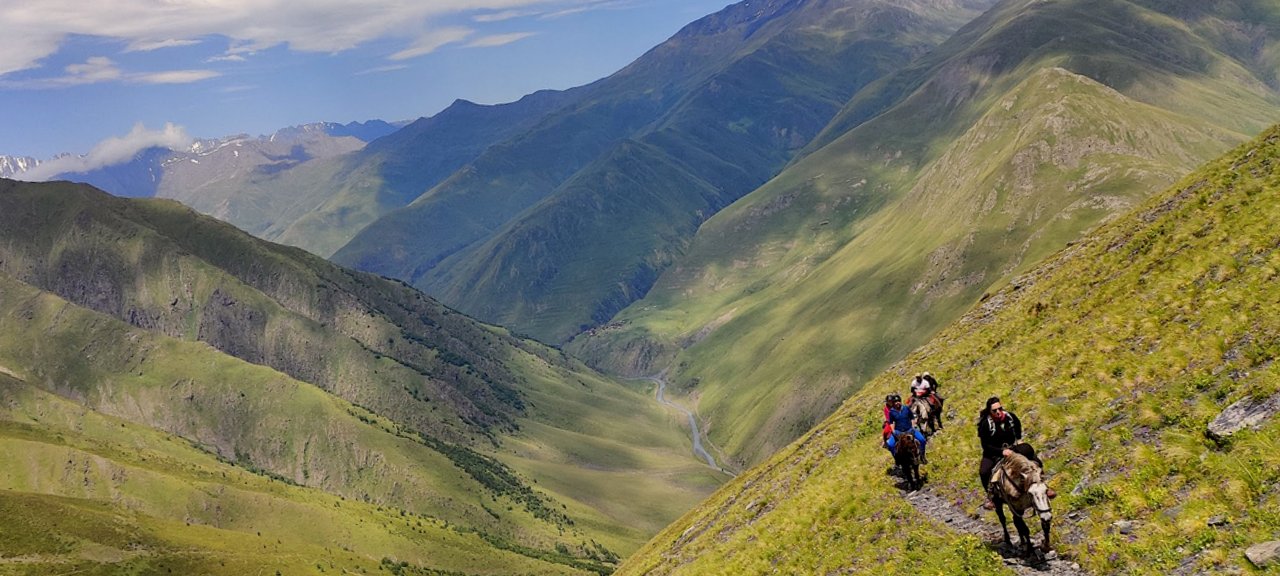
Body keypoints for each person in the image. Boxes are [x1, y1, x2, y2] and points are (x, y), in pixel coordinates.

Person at [977, 396, 1052, 508]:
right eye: (994, 410)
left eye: (1000, 409)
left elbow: (1017, 427)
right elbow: (986, 445)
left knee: (1030, 453)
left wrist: (1018, 440)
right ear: (990, 411)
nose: (998, 412)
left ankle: (1043, 484)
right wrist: (1001, 452)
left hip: (1012, 448)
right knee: (984, 471)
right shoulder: (985, 424)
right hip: (994, 453)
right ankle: (991, 496)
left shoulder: (1010, 417)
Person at [884, 393, 928, 464]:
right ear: (893, 403)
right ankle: (897, 459)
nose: (897, 403)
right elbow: (891, 423)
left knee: (922, 440)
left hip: (909, 430)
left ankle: (922, 456)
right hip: (899, 432)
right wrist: (893, 431)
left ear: (900, 401)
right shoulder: (891, 412)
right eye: (895, 402)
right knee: (890, 444)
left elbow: (912, 418)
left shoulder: (906, 408)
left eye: (898, 401)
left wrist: (913, 426)